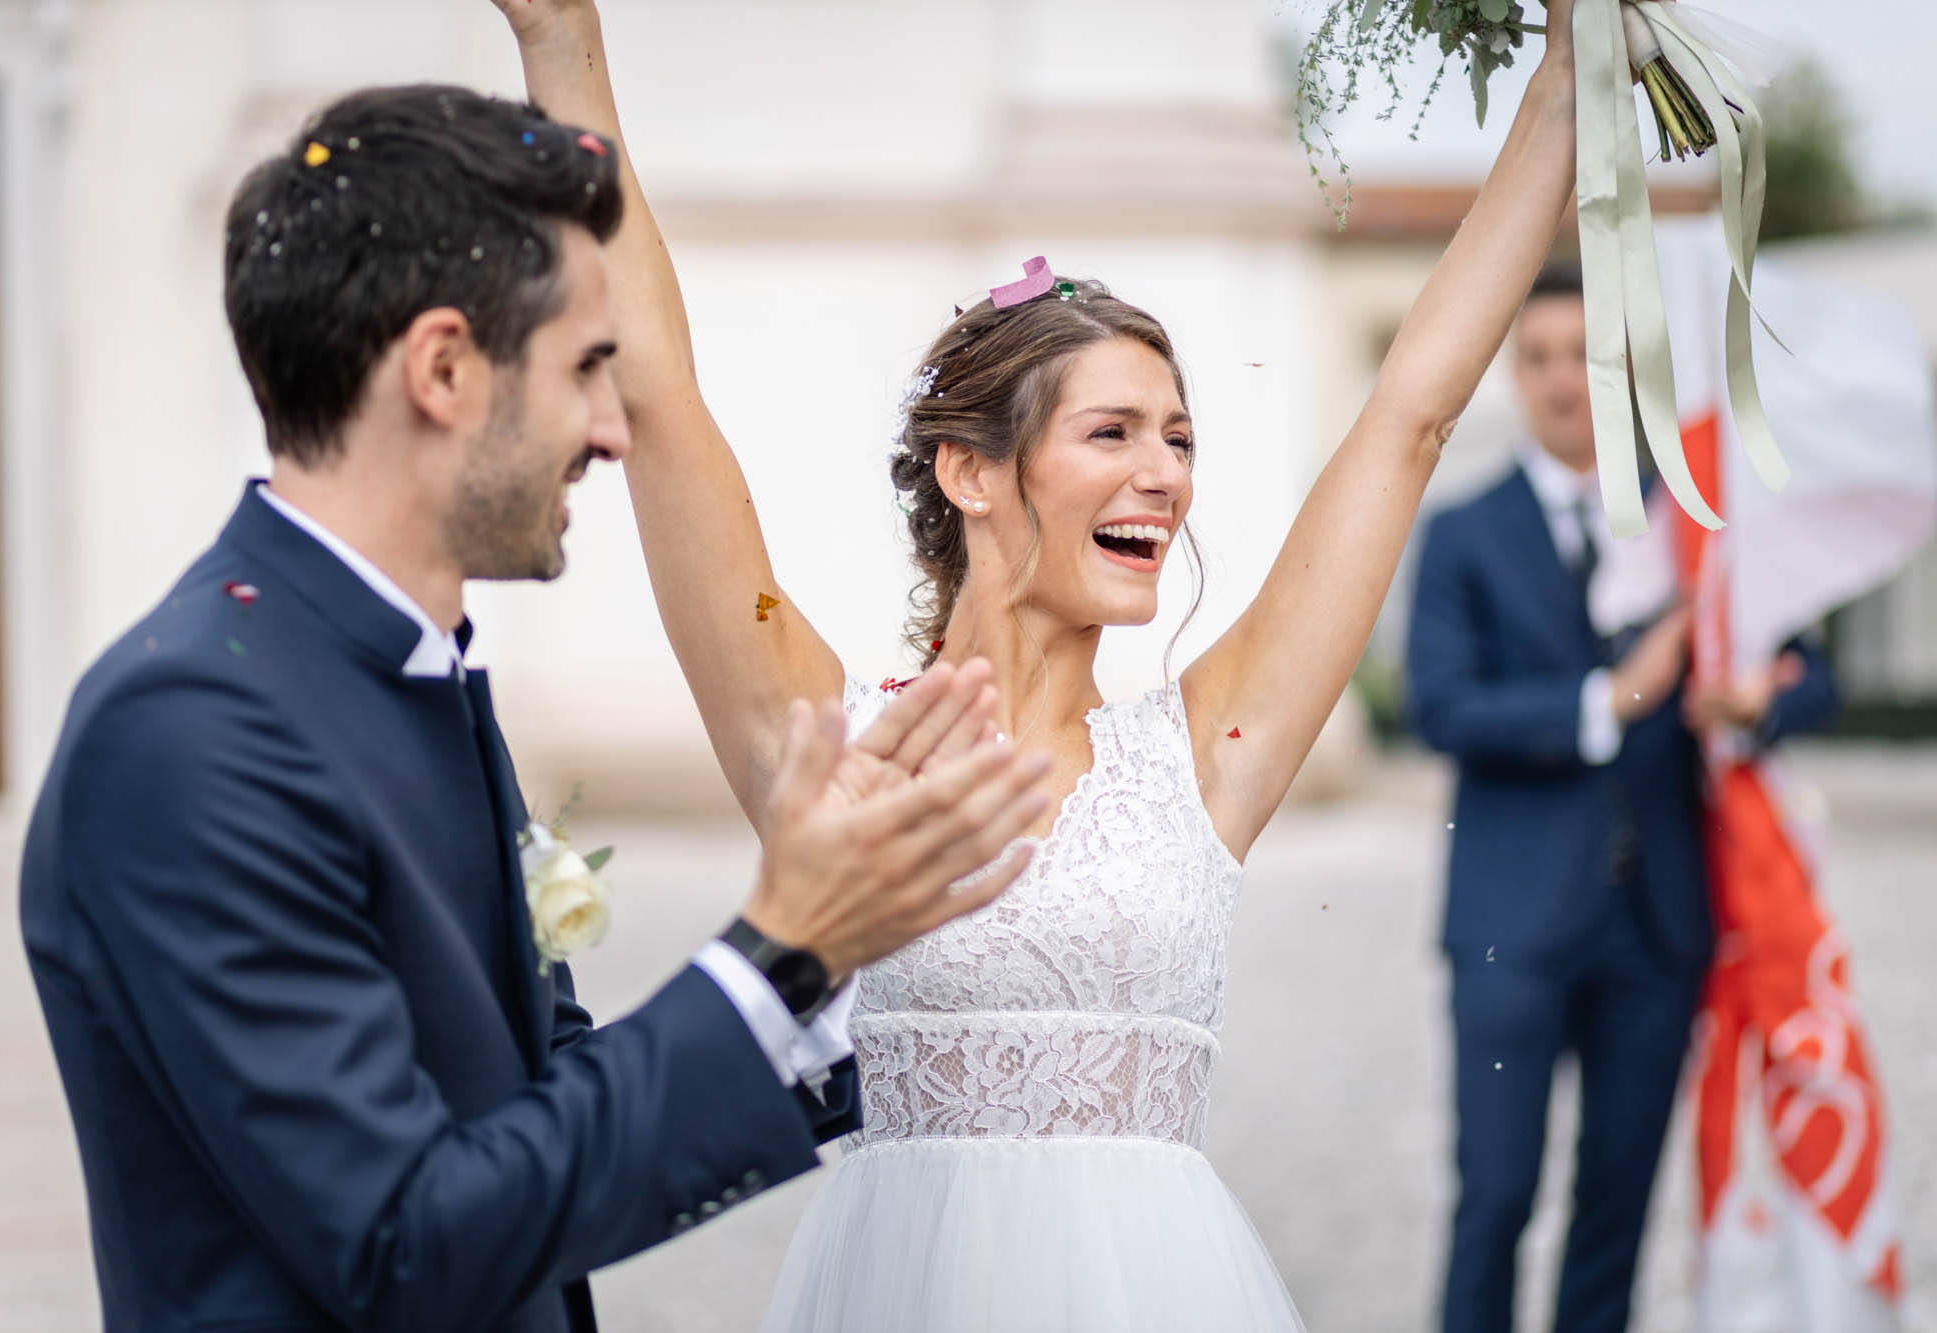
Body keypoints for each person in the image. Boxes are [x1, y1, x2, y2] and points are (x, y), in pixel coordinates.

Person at [497, 0, 1580, 1326]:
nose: (1163, 477)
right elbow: (660, 402)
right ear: (973, 471)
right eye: (1114, 432)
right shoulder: (833, 740)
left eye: (1179, 439)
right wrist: (566, 44)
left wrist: (1566, 81)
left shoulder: (1211, 749)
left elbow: (1413, 411)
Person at [17, 84, 1055, 1333]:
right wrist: (778, 937)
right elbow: (407, 1241)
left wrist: (827, 971)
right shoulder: (188, 730)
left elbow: (530, 1104)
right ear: (443, 368)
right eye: (586, 369)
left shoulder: (407, 674)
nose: (613, 433)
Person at [1406, 264, 1840, 1333]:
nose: (1563, 382)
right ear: (1513, 372)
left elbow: (1811, 673)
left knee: (1617, 1206)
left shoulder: (1696, 516)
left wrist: (1750, 702)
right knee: (1494, 1196)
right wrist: (1610, 697)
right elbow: (1441, 706)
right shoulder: (1461, 531)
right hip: (1508, 929)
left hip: (1658, 929)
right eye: (1540, 358)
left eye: (1586, 357)